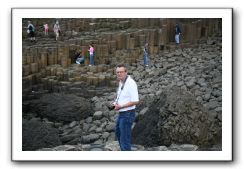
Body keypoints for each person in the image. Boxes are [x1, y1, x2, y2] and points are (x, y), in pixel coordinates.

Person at [112, 64, 139, 151]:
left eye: (121, 72)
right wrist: (115, 103)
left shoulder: (131, 83)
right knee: (119, 134)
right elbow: (121, 95)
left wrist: (121, 106)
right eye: (117, 72)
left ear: (126, 72)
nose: (119, 74)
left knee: (124, 139)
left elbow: (135, 101)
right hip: (122, 113)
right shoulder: (121, 81)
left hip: (128, 113)